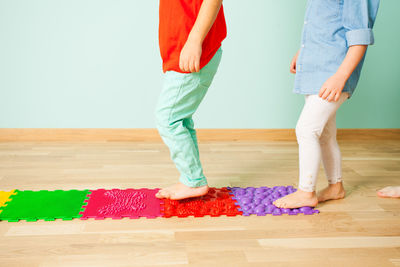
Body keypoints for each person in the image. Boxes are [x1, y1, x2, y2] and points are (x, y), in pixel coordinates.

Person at [274, 0, 380, 209]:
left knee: (307, 130)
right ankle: (335, 187)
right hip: (317, 66)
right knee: (325, 133)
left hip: (333, 71)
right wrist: (303, 52)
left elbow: (360, 35)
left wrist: (341, 76)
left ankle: (306, 191)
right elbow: (325, 24)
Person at [155, 0, 226, 200]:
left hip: (194, 50)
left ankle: (193, 181)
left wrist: (194, 40)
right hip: (181, 50)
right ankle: (191, 178)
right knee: (180, 119)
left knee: (167, 118)